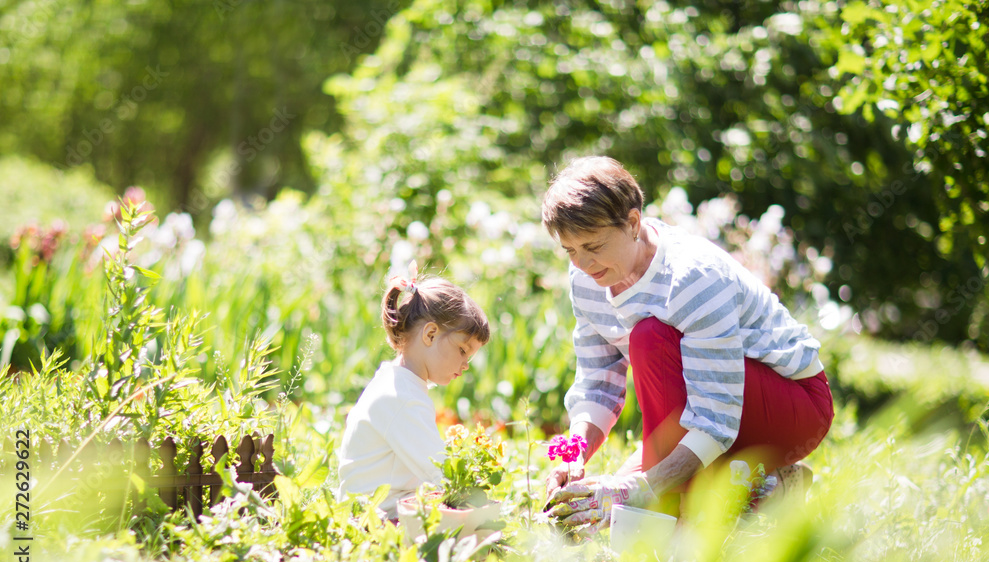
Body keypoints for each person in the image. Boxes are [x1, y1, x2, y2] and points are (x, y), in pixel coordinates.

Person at [542, 156, 834, 530]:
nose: (582, 263)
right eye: (570, 250)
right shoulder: (587, 277)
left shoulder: (691, 278)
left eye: (593, 246)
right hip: (709, 406)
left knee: (650, 338)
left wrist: (643, 488)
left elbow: (714, 419)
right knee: (608, 513)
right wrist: (574, 453)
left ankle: (689, 514)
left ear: (632, 223)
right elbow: (598, 379)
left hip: (791, 406)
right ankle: (769, 488)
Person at [336, 273, 490, 519]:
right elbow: (442, 473)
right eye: (462, 350)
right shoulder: (402, 398)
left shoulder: (397, 383)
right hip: (376, 523)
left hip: (378, 514)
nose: (465, 365)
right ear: (430, 334)